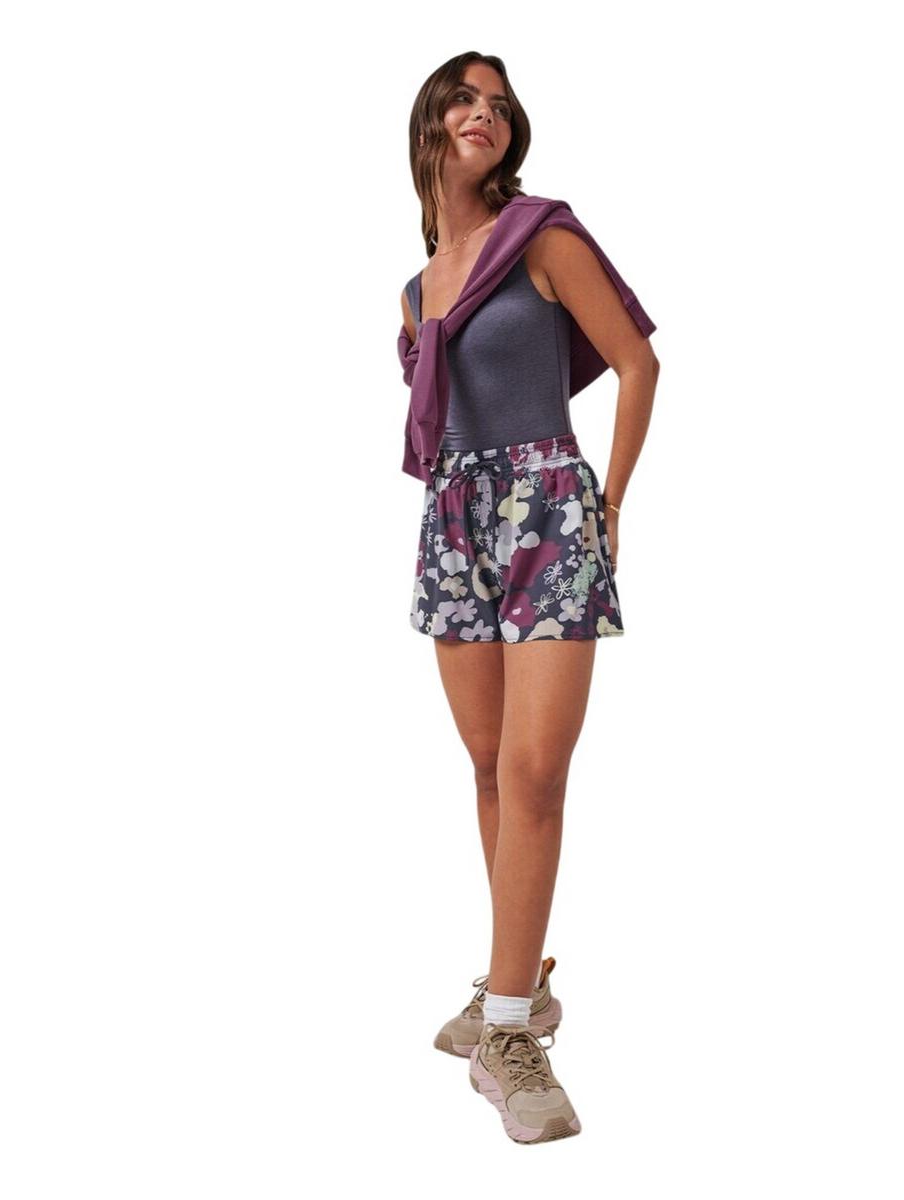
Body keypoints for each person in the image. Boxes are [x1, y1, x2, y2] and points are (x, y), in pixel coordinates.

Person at [398, 53, 659, 1145]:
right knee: (487, 764)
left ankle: (508, 1034)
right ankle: (522, 981)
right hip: (456, 519)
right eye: (464, 98)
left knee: (536, 770)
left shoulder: (543, 236)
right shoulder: (418, 289)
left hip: (548, 505)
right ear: (428, 123)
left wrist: (609, 503)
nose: (484, 114)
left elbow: (637, 364)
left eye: (500, 105)